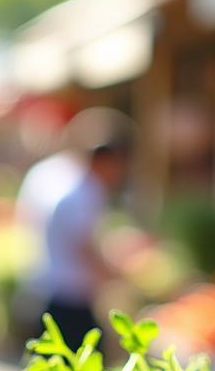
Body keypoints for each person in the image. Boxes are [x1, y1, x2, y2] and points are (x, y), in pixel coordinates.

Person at [17, 110, 132, 345]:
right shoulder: (82, 189)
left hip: (39, 289)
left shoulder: (48, 172)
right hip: (68, 301)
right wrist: (121, 279)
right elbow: (84, 247)